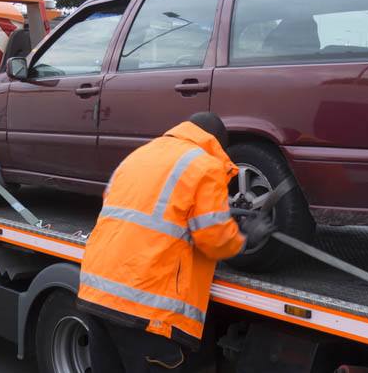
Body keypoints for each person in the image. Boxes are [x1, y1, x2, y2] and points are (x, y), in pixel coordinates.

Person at [77, 112, 274, 372]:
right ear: (216, 144)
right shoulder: (206, 166)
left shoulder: (139, 156)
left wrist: (211, 209)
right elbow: (214, 240)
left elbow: (146, 210)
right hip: (143, 309)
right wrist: (245, 236)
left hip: (97, 294)